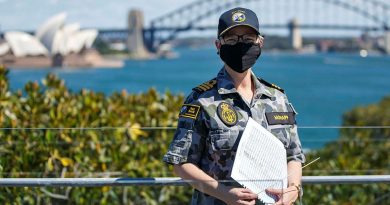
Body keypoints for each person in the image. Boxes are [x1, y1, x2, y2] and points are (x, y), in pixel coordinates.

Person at [163, 7, 305, 205]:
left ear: (260, 43)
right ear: (218, 45)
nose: (241, 45)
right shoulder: (201, 99)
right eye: (231, 40)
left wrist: (293, 189)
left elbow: (294, 156)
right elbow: (181, 163)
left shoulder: (278, 99)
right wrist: (224, 194)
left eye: (248, 39)